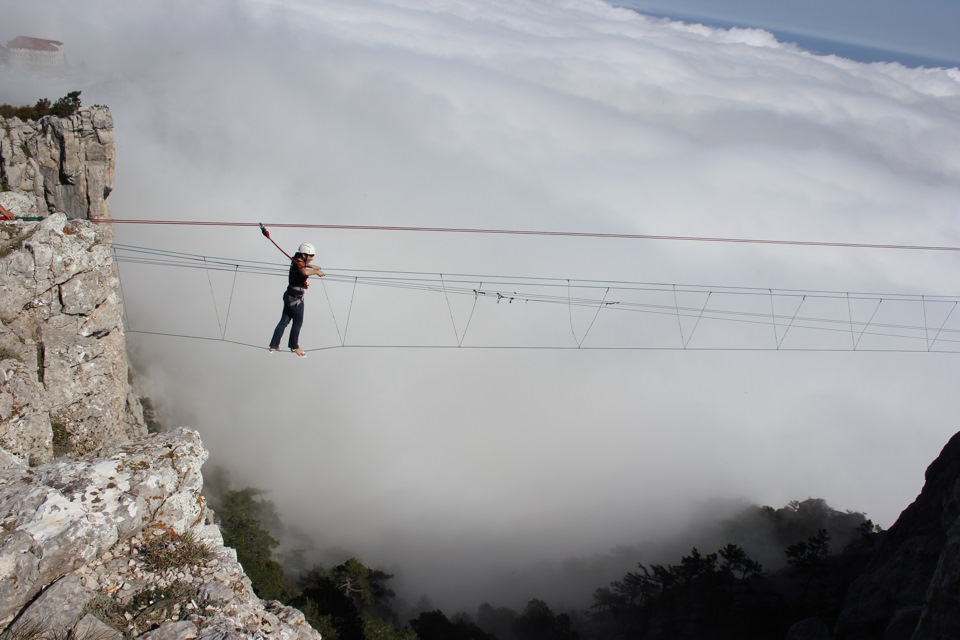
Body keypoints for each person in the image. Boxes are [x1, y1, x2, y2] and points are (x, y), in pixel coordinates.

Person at [268, 242, 324, 357]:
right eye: (311, 256)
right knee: (297, 323)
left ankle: (273, 345)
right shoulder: (299, 262)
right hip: (295, 300)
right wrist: (316, 271)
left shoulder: (297, 259)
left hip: (288, 296)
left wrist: (311, 266)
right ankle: (294, 347)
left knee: (284, 321)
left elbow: (301, 265)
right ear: (304, 255)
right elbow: (303, 271)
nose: (312, 258)